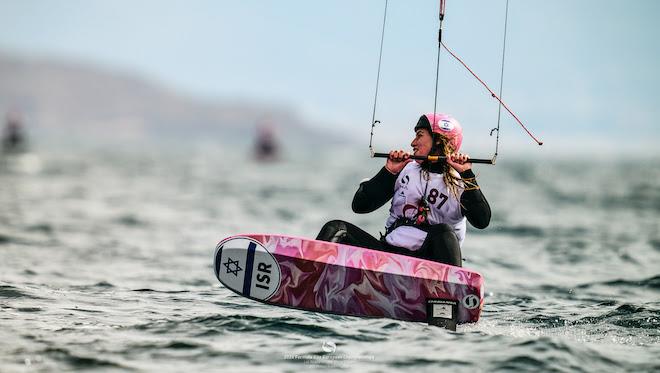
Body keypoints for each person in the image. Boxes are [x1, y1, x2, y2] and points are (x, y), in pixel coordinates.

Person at [316, 113, 491, 266]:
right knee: (336, 227)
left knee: (444, 231)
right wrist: (389, 172)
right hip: (388, 255)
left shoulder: (462, 182)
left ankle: (450, 294)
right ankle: (309, 276)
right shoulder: (404, 169)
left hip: (429, 264)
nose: (413, 143)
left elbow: (482, 221)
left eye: (419, 136)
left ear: (438, 141)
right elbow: (360, 206)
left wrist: (467, 174)